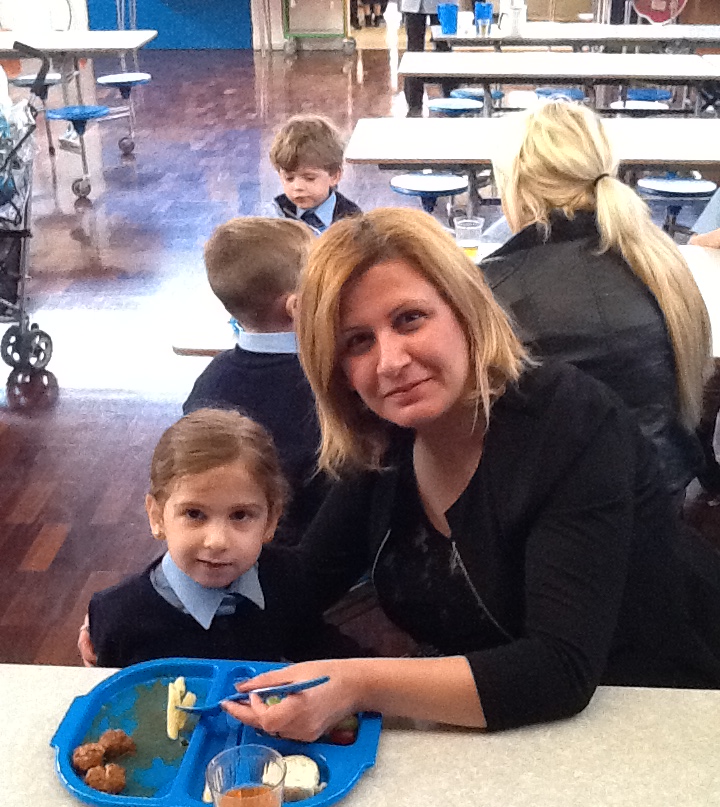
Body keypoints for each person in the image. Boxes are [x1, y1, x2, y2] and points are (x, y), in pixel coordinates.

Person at [222, 208, 720, 742]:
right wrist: (184, 578)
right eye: (358, 342)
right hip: (510, 730)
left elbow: (559, 670)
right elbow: (303, 582)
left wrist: (355, 683)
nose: (390, 361)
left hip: (662, 712)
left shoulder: (571, 420)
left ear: (465, 309)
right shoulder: (387, 437)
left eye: (409, 319)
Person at [480, 99, 712, 500]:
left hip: (559, 515)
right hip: (661, 498)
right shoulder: (659, 261)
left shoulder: (493, 291)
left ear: (515, 187)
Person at [79, 409, 358, 668]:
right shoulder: (118, 616)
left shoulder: (287, 578)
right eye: (194, 514)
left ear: (271, 520)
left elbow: (317, 646)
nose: (217, 541)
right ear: (157, 516)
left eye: (240, 515)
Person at [183, 217, 328, 545]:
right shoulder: (326, 379)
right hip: (324, 547)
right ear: (297, 306)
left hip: (234, 543)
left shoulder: (209, 380)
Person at [269, 115, 361, 234]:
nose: (297, 187)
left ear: (334, 176)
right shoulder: (273, 216)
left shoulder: (352, 222)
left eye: (309, 178)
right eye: (289, 178)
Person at [400, 0, 451, 117]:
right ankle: (414, 104)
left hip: (444, 4)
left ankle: (450, 96)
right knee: (414, 52)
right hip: (413, 5)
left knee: (444, 48)